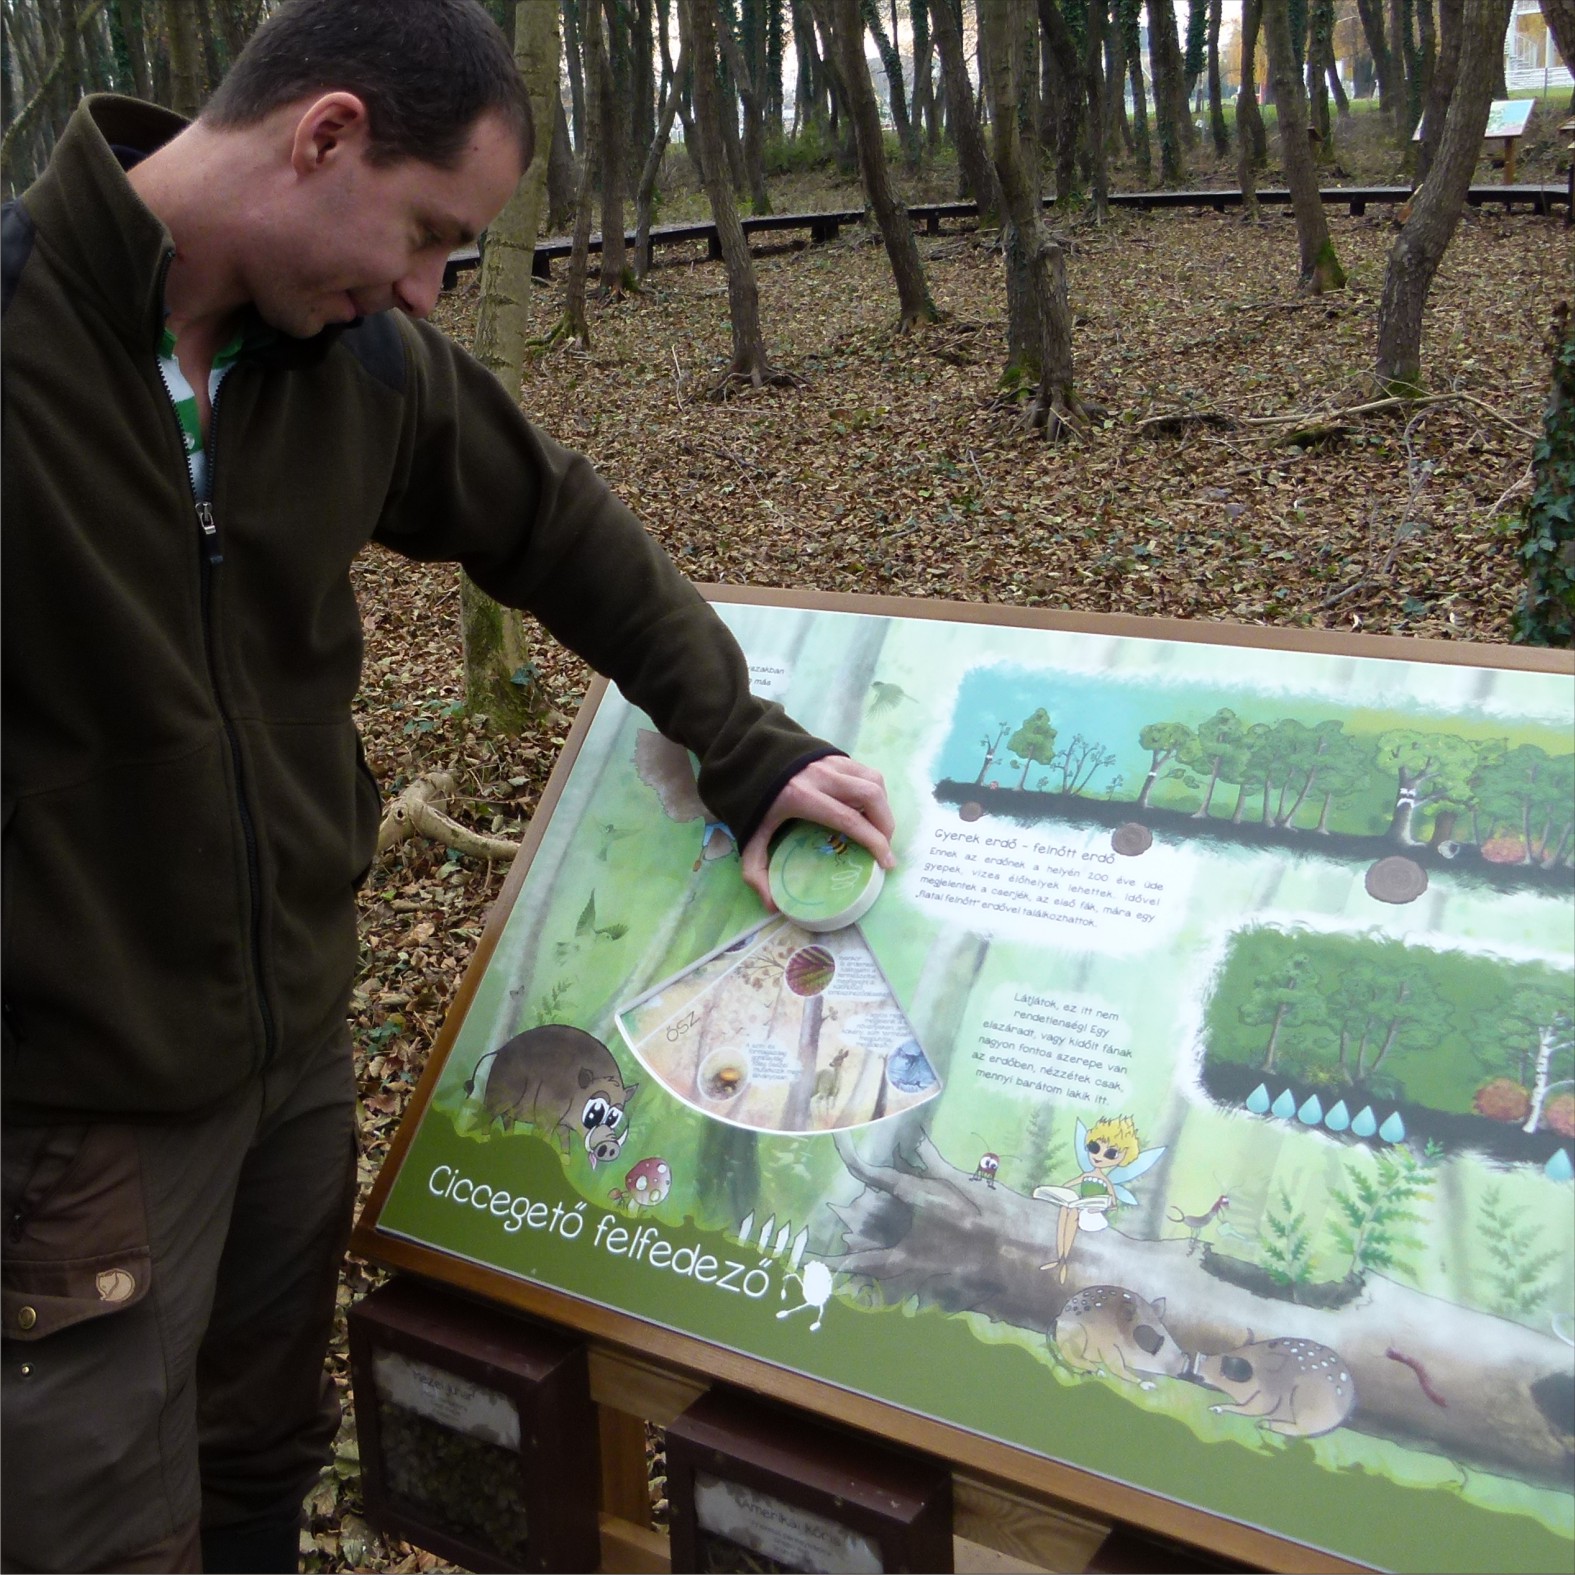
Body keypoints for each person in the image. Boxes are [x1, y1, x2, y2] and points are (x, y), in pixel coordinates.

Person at [0, 2, 894, 1570]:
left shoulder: (349, 365)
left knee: (260, 1460)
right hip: (65, 1117)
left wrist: (747, 749)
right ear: (324, 134)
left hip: (287, 1060)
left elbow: (555, 525)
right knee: (80, 1529)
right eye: (423, 235)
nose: (422, 290)